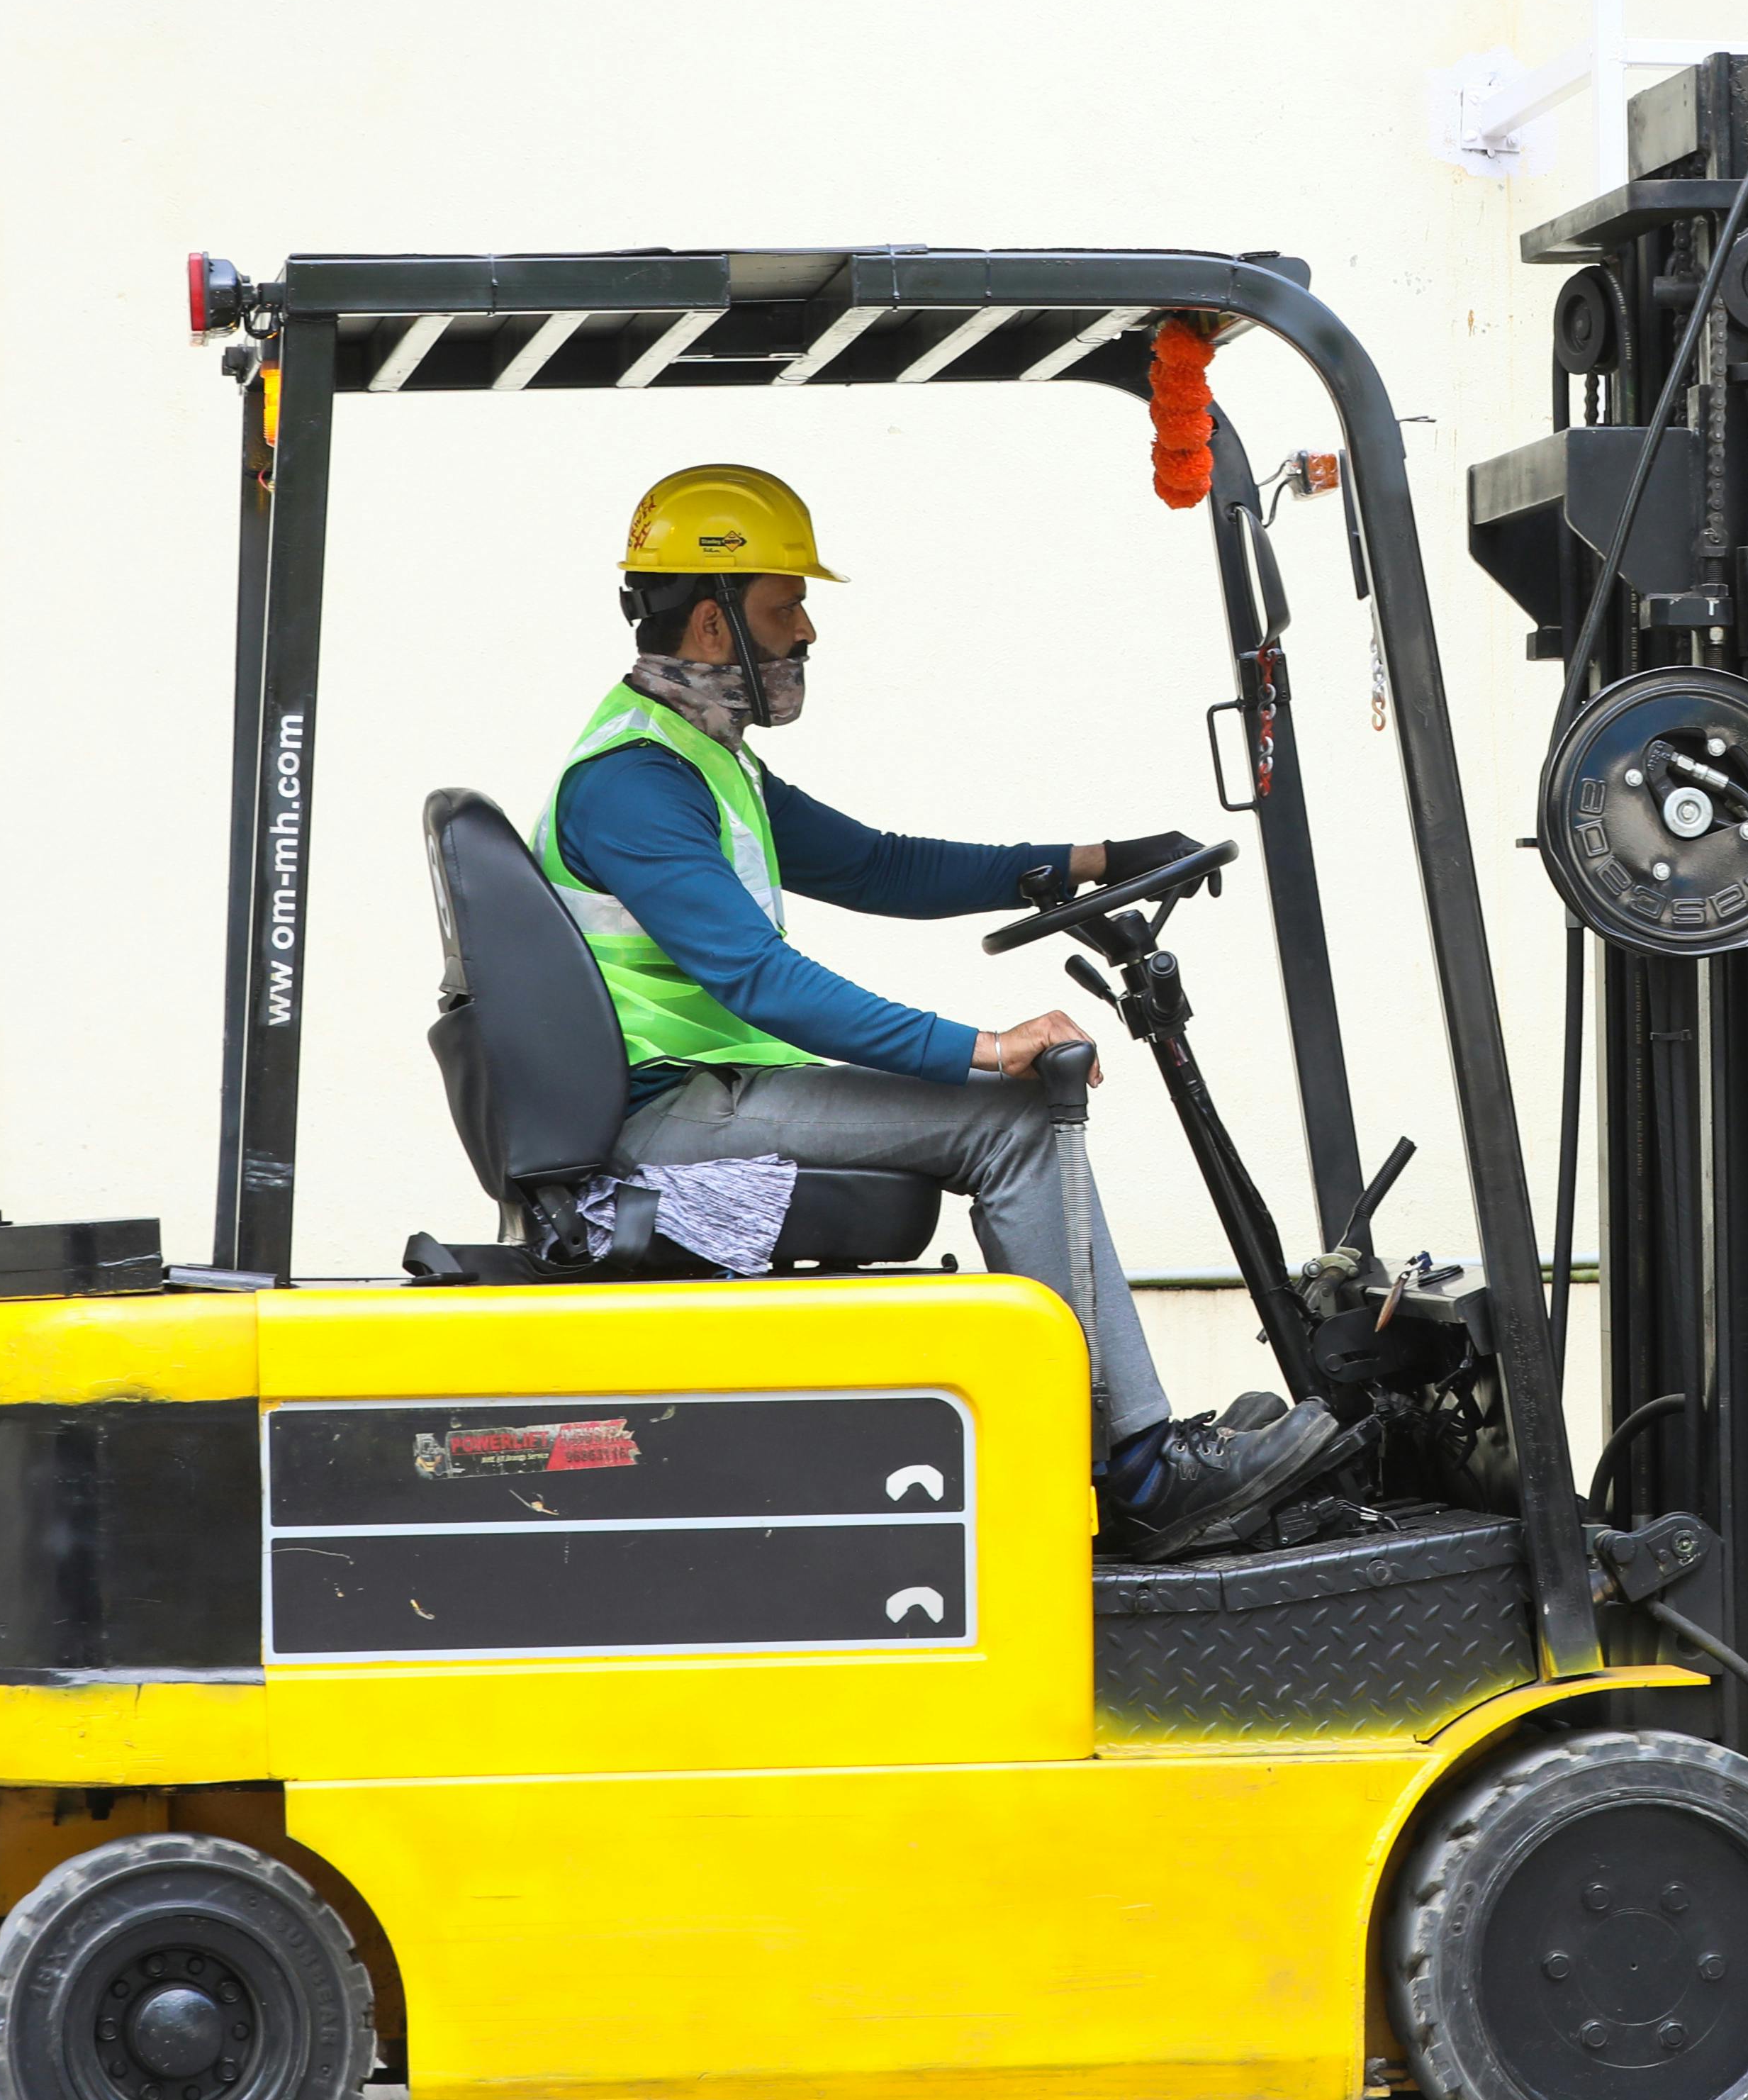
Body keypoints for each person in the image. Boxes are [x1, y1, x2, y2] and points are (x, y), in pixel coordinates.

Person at [539, 464, 1347, 1558]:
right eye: (785, 606)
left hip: (709, 1093)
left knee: (1005, 1103)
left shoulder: (702, 759)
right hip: (668, 1121)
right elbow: (760, 982)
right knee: (1012, 1116)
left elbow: (878, 866)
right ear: (713, 626)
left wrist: (1093, 860)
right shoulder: (635, 782)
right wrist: (986, 1047)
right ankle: (1140, 1475)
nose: (808, 630)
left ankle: (1127, 1454)